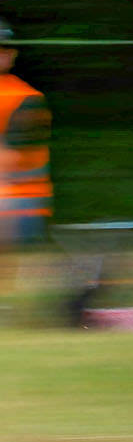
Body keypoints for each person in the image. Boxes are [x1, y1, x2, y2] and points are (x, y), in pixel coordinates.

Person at [0, 20, 53, 299]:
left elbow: (9, 160)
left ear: (12, 55)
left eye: (4, 49)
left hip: (21, 200)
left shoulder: (26, 99)